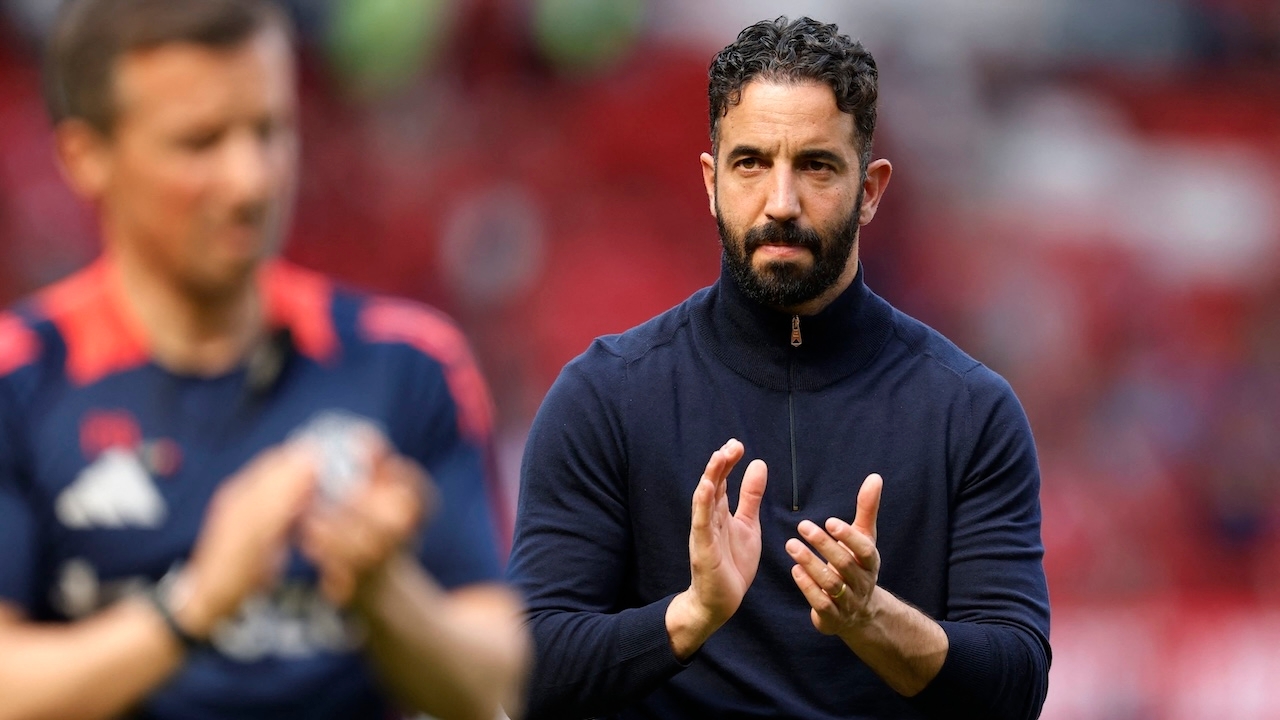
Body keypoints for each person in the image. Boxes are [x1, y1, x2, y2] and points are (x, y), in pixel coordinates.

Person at [507, 15, 1051, 720]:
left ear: (871, 189)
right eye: (751, 163)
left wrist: (871, 618)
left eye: (817, 166)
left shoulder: (970, 412)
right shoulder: (604, 397)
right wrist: (692, 614)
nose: (781, 203)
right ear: (711, 182)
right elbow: (527, 672)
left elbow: (1017, 685)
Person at [0, 0, 529, 718]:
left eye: (270, 131)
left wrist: (384, 591)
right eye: (200, 143)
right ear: (85, 158)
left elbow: (498, 681)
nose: (251, 181)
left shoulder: (406, 362)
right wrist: (196, 602)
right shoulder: (19, 378)